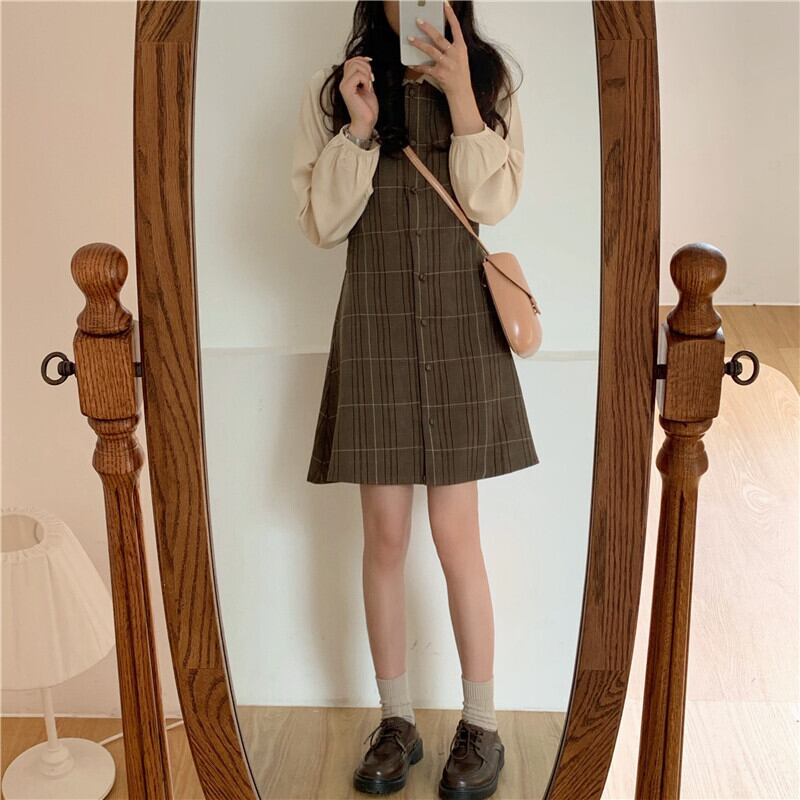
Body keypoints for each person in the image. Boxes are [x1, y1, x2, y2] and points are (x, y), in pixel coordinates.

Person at [291, 2, 539, 797]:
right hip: (377, 326)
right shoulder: (339, 86)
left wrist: (462, 95)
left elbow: (493, 203)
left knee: (457, 536)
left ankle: (482, 726)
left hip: (461, 325)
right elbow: (321, 224)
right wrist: (359, 128)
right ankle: (396, 721)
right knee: (386, 535)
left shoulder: (490, 76)